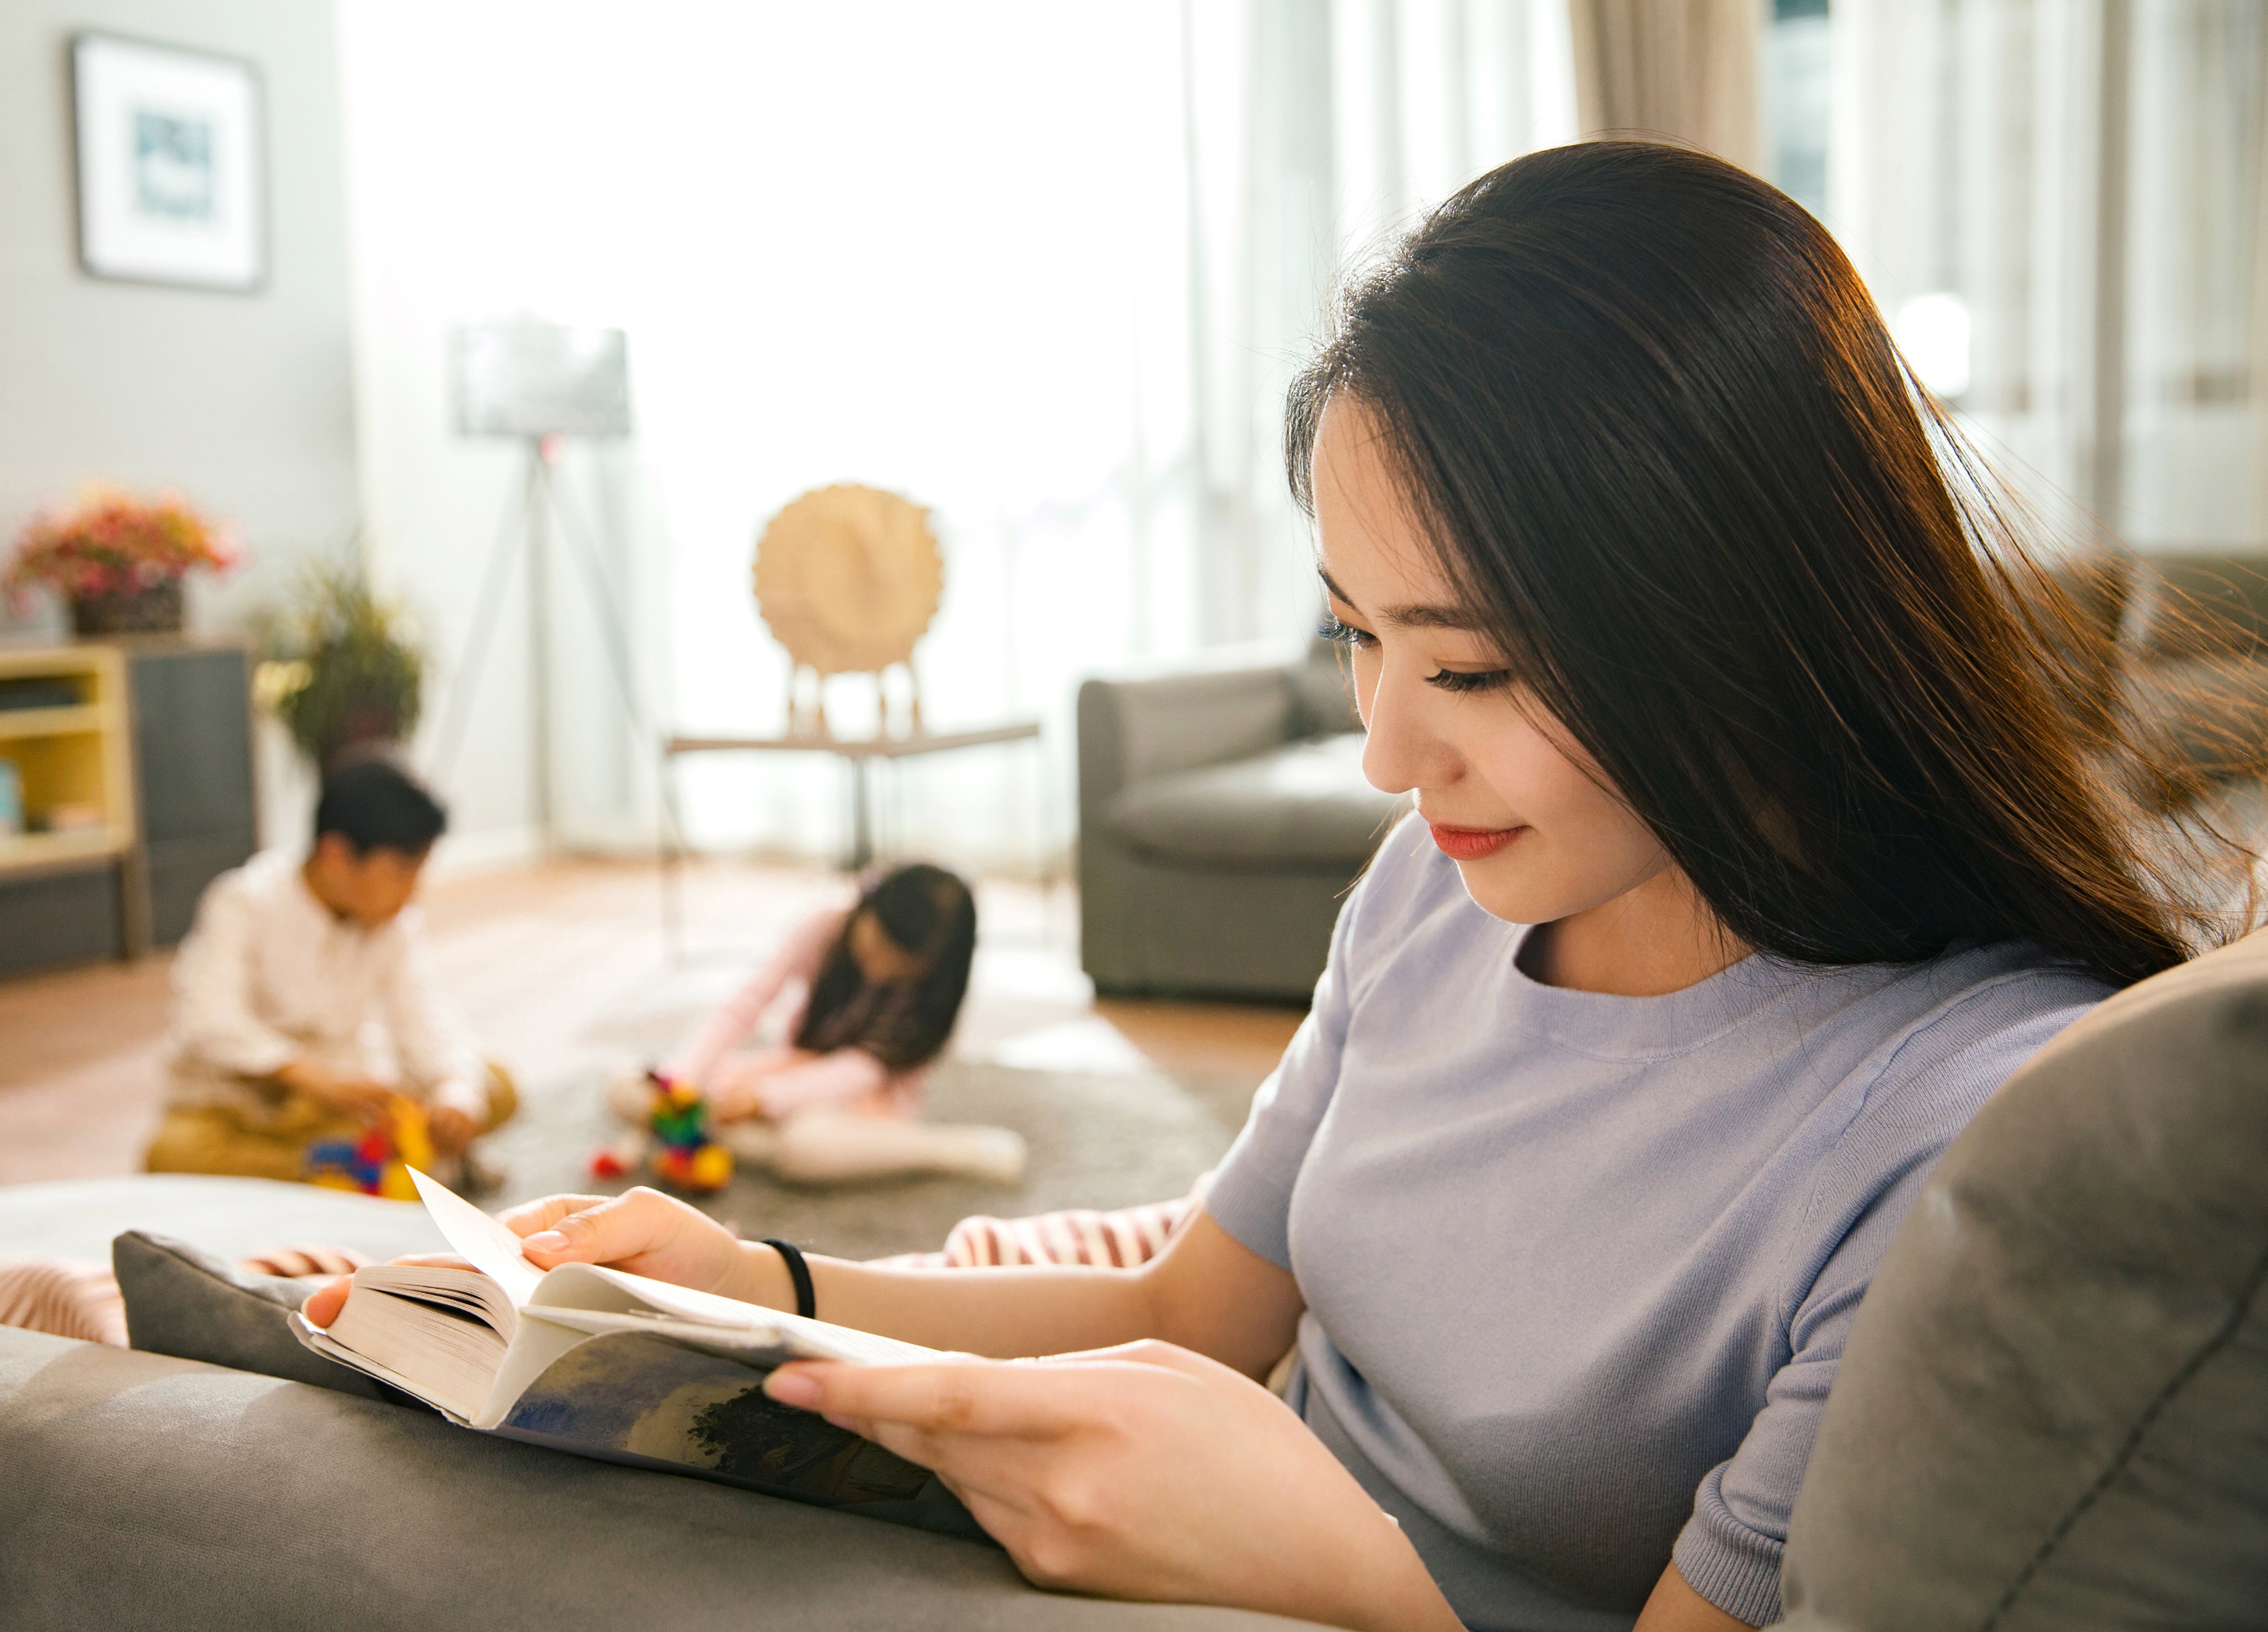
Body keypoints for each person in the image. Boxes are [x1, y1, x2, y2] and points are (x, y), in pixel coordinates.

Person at [310, 143, 2240, 1631]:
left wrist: (1341, 1572)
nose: (1392, 757)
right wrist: (775, 1281)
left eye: (1469, 665)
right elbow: (1192, 1301)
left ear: (1743, 624)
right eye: (1354, 637)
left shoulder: (1944, 1122)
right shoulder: (1441, 888)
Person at [146, 753, 515, 1192]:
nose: (413, 891)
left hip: (349, 1101)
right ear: (336, 854)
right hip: (242, 1106)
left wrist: (455, 1087)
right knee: (172, 1154)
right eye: (401, 872)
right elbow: (207, 1019)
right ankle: (360, 1168)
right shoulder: (243, 901)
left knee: (495, 1085)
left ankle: (352, 1168)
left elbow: (424, 1015)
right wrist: (312, 1078)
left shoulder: (393, 921)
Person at [611, 862, 1025, 1185]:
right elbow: (747, 1002)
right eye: (877, 944)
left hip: (863, 1100)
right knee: (625, 1086)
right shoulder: (826, 926)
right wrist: (681, 1081)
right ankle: (727, 1137)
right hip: (796, 1067)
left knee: (806, 1146)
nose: (880, 967)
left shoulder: (926, 993)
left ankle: (950, 1148)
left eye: (900, 965)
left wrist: (764, 1098)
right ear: (866, 907)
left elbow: (861, 1070)